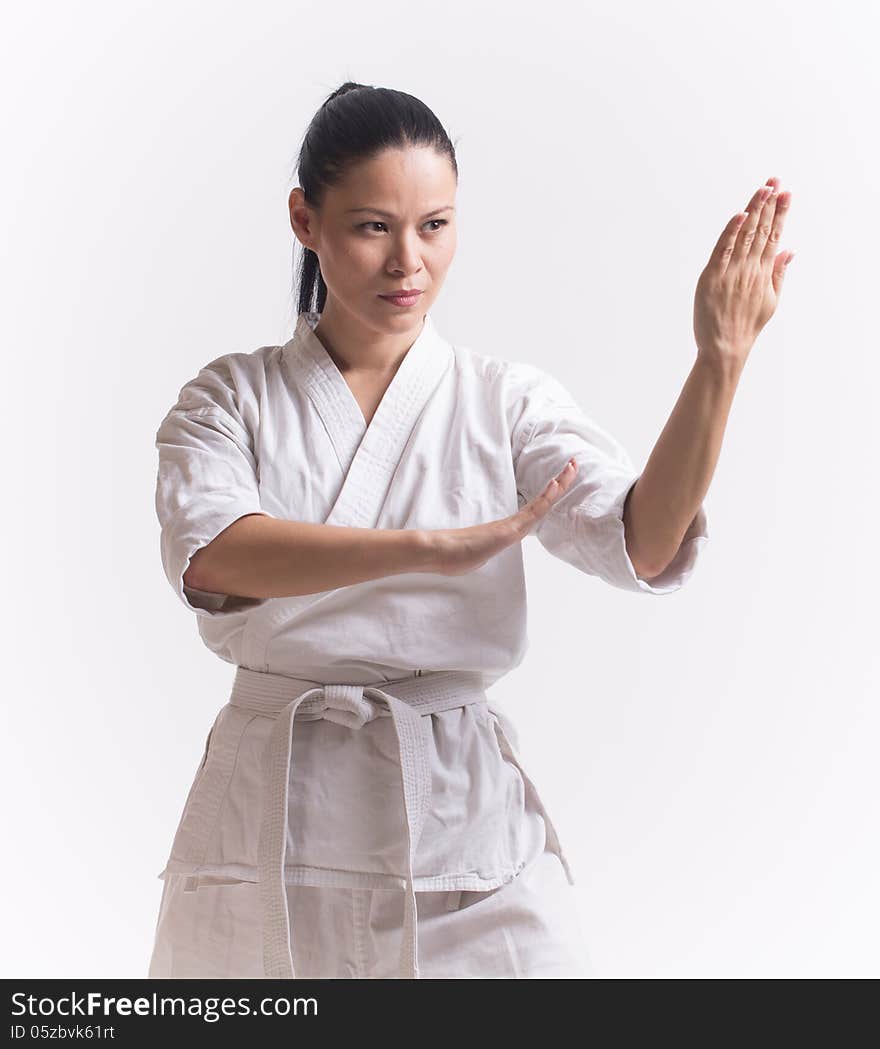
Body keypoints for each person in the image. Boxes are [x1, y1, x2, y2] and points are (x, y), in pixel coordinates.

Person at [146, 81, 794, 979]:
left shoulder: (504, 402)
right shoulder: (228, 399)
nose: (407, 262)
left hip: (462, 824)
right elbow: (218, 555)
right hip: (273, 825)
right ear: (305, 219)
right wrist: (427, 547)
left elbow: (644, 540)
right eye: (373, 226)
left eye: (435, 226)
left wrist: (719, 362)